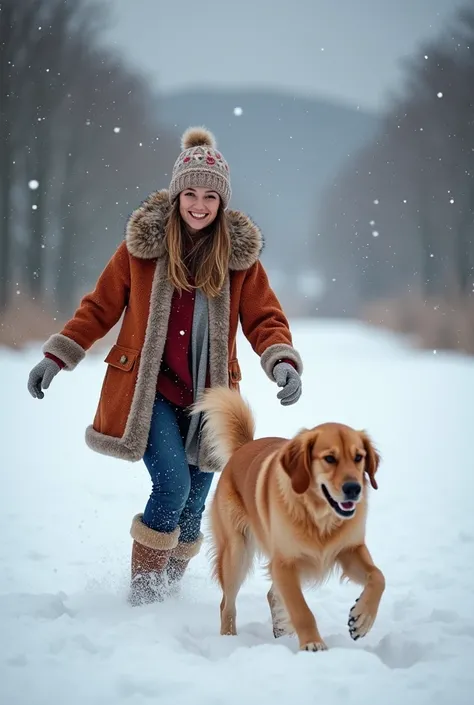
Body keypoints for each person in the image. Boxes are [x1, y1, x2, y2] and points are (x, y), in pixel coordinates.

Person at [27, 126, 304, 605]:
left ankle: (165, 598)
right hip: (148, 393)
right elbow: (99, 307)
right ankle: (144, 599)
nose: (199, 205)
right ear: (177, 196)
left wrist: (281, 361)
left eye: (210, 196)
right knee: (173, 485)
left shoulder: (240, 259)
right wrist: (58, 355)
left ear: (222, 203)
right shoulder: (142, 249)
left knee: (196, 505)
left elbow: (265, 318)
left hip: (210, 400)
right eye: (190, 194)